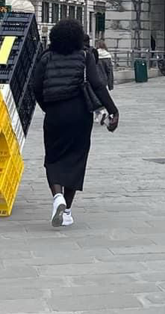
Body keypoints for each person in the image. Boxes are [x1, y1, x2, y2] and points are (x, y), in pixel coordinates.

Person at [30, 18, 118, 229]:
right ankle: (67, 210)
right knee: (76, 158)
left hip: (55, 113)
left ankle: (56, 197)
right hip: (80, 113)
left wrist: (47, 106)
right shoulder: (85, 56)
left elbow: (35, 86)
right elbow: (97, 84)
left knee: (53, 157)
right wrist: (113, 110)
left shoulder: (46, 57)